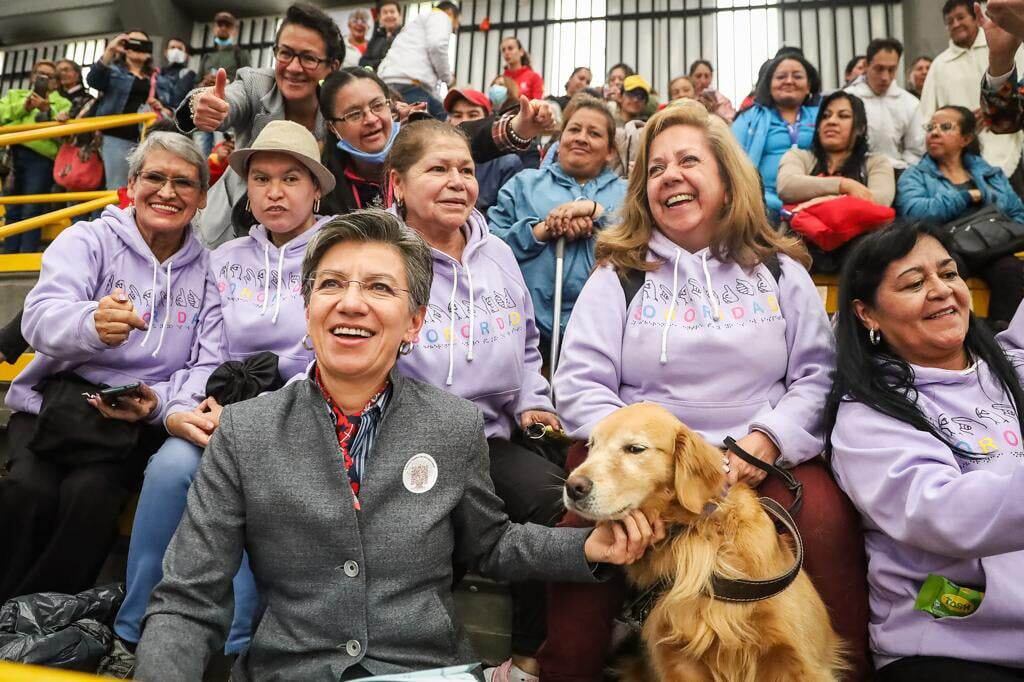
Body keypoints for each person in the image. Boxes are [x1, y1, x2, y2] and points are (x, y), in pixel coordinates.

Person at [134, 208, 664, 681]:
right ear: (307, 306)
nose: (352, 303)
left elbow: (492, 545)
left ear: (414, 322)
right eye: (331, 284)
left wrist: (585, 547)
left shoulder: (453, 425)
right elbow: (188, 600)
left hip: (424, 668)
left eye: (380, 288)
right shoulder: (246, 432)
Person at [537, 98, 870, 682]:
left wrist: (764, 443)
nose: (671, 176)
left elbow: (817, 376)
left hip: (763, 455)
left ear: (725, 177)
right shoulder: (620, 273)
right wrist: (634, 461)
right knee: (582, 538)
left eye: (688, 160)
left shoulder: (779, 268)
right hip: (641, 460)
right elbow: (580, 381)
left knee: (826, 523)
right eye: (656, 168)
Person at [96, 120, 334, 678]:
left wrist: (255, 416)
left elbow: (328, 353)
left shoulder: (341, 249)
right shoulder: (223, 259)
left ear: (315, 188)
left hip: (306, 410)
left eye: (291, 178)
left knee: (251, 485)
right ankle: (135, 631)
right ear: (245, 189)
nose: (274, 192)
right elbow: (206, 352)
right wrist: (179, 411)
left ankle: (236, 646)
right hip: (222, 404)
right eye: (261, 178)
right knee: (170, 468)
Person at [387, 119, 565, 682]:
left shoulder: (499, 257)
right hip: (403, 438)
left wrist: (533, 401)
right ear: (398, 183)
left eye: (465, 169)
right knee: (426, 544)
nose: (457, 181)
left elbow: (529, 344)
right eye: (437, 169)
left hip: (489, 437)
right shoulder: (376, 253)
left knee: (552, 503)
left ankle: (528, 660)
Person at [0, 132, 211, 603]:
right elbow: (38, 316)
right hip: (54, 406)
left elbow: (205, 361)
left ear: (201, 197)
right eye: (154, 177)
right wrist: (90, 322)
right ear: (132, 184)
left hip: (132, 422)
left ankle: (41, 619)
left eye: (183, 183)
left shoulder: (208, 269)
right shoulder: (88, 238)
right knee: (25, 492)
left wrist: (159, 405)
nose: (167, 192)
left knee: (90, 498)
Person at [827, 220, 1024, 682]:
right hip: (949, 648)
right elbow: (944, 515)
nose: (941, 290)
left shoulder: (1008, 370)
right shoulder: (868, 417)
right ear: (867, 314)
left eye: (950, 273)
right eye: (914, 283)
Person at [177, 2, 343, 247]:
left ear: (332, 67)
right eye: (285, 53)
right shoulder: (257, 85)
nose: (294, 68)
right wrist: (203, 105)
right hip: (226, 232)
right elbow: (229, 100)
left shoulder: (339, 106)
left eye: (308, 58)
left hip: (301, 244)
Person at [489, 94, 626, 356]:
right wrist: (542, 230)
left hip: (606, 341)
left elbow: (644, 243)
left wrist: (599, 216)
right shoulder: (523, 184)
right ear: (560, 139)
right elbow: (490, 248)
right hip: (527, 339)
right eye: (573, 129)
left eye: (594, 133)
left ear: (610, 151)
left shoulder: (628, 194)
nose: (581, 138)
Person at [896, 106, 1024, 329]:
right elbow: (914, 213)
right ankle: (953, 337)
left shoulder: (990, 174)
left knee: (1011, 270)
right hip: (944, 248)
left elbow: (1017, 215)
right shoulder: (914, 174)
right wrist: (966, 196)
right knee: (947, 271)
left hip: (991, 247)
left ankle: (1003, 342)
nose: (934, 133)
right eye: (930, 127)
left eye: (945, 127)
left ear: (966, 138)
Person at [920, 0, 1024, 179]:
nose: (956, 24)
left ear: (975, 18)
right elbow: (1006, 118)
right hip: (964, 158)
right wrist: (1000, 61)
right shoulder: (940, 65)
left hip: (1012, 152)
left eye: (960, 17)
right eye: (950, 21)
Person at [733, 52, 821, 217]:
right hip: (763, 206)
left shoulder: (823, 115)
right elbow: (732, 163)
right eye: (781, 77)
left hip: (817, 201)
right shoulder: (749, 118)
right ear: (769, 84)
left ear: (808, 85)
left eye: (797, 76)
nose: (789, 81)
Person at [778, 91, 896, 209]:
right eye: (825, 116)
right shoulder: (799, 156)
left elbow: (879, 201)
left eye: (843, 116)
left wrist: (822, 200)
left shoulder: (876, 163)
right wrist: (843, 185)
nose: (831, 121)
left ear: (860, 128)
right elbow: (786, 187)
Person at [0, 60, 71, 253]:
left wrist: (47, 111)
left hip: (41, 159)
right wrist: (25, 107)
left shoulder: (62, 103)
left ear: (55, 82)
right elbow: (1, 114)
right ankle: (8, 255)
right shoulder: (15, 95)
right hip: (11, 156)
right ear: (32, 77)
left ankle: (26, 254)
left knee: (32, 209)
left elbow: (65, 132)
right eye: (40, 74)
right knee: (11, 208)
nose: (44, 78)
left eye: (49, 76)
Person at [89, 30, 168, 192]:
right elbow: (93, 80)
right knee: (117, 189)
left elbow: (170, 105)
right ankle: (114, 218)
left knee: (137, 188)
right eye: (132, 43)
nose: (137, 48)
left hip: (145, 140)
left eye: (143, 45)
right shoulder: (113, 71)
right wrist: (111, 50)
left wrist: (161, 107)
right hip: (115, 135)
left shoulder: (156, 78)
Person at [844, 38, 925, 170]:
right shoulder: (847, 98)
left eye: (891, 70)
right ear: (866, 65)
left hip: (899, 171)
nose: (885, 77)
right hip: (854, 171)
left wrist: (902, 168)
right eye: (879, 69)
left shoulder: (910, 103)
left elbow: (916, 150)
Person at [378, 0, 460, 120]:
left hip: (395, 82)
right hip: (410, 84)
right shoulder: (440, 15)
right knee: (420, 132)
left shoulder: (416, 26)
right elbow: (437, 46)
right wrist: (449, 79)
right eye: (456, 23)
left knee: (442, 118)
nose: (455, 27)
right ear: (450, 13)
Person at [444, 87, 522, 213]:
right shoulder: (435, 158)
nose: (464, 120)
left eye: (473, 114)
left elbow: (504, 218)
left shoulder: (507, 163)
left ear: (488, 119)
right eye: (457, 115)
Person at [196, 10, 251, 157]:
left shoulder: (240, 54)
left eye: (227, 25)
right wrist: (204, 83)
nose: (223, 28)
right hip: (206, 112)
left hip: (227, 112)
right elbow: (196, 85)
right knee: (201, 155)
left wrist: (225, 83)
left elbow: (247, 82)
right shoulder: (207, 57)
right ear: (214, 28)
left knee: (225, 156)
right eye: (220, 24)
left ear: (234, 30)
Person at [360, 0, 402, 71]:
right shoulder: (376, 38)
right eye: (385, 12)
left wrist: (376, 64)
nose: (389, 15)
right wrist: (370, 69)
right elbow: (363, 62)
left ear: (400, 15)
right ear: (379, 17)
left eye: (392, 12)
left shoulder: (406, 36)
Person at [156, 38, 197, 111]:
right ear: (166, 52)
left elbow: (178, 100)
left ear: (186, 55)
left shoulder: (189, 74)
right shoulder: (158, 72)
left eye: (180, 49)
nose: (176, 51)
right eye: (172, 48)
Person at [501, 36, 544, 101]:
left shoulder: (534, 77)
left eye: (510, 48)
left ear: (521, 52)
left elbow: (537, 104)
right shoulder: (501, 79)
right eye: (503, 50)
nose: (506, 52)